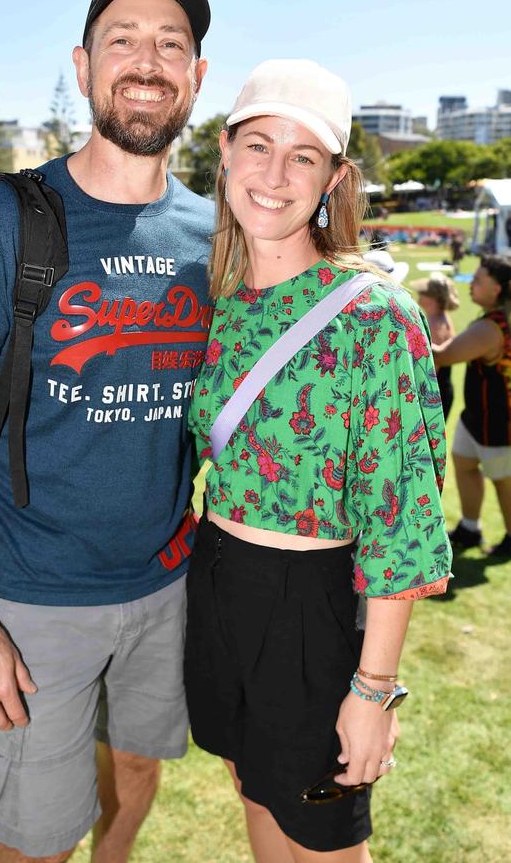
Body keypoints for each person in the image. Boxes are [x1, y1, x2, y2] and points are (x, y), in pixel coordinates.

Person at [0, 0, 212, 863]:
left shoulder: (211, 231)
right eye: (123, 40)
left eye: (170, 44)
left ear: (196, 76)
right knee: (39, 841)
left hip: (166, 589)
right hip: (32, 605)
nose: (146, 61)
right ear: (82, 67)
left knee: (139, 778)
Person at [186, 60, 451, 862]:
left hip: (311, 607)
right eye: (258, 146)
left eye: (303, 157)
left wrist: (372, 691)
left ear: (335, 179)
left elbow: (402, 521)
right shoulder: (224, 304)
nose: (274, 174)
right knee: (254, 794)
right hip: (218, 583)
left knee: (324, 840)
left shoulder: (376, 315)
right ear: (225, 153)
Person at [433, 255, 511, 559]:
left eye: (478, 280)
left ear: (497, 289)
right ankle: (469, 527)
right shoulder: (495, 318)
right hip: (477, 417)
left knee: (503, 482)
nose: (471, 285)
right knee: (464, 463)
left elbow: (443, 356)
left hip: (498, 423)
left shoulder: (491, 327)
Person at [409, 272, 460, 419]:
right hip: (442, 391)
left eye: (424, 293)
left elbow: (431, 369)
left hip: (435, 395)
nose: (419, 295)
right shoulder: (440, 317)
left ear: (433, 299)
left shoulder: (434, 325)